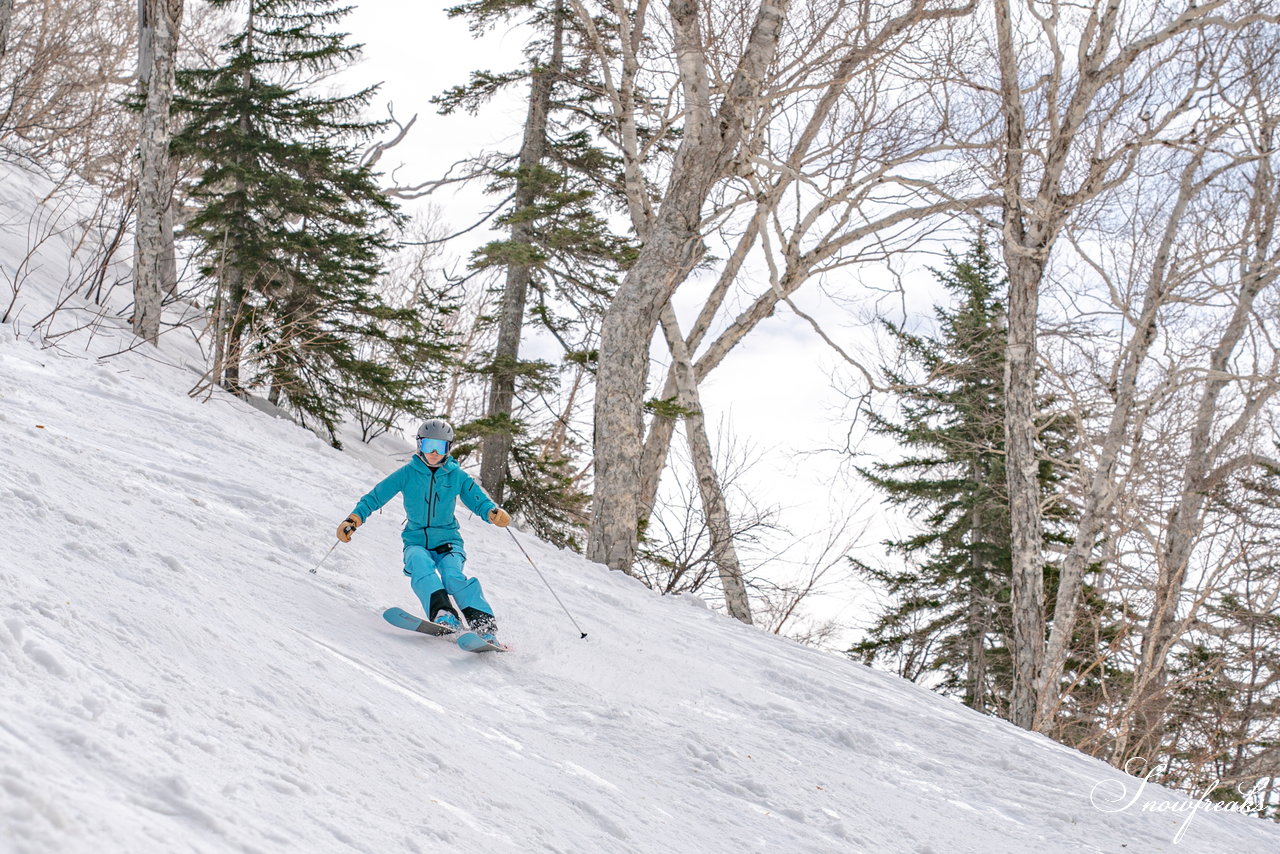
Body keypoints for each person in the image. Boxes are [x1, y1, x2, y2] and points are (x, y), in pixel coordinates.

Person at [336, 418, 511, 641]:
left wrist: (492, 513)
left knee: (453, 576)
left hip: (448, 542)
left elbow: (477, 499)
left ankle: (483, 625)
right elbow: (376, 496)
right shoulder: (407, 473)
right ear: (420, 445)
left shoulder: (456, 476)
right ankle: (444, 614)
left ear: (449, 448)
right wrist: (353, 519)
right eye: (429, 445)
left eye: (441, 447)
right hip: (416, 540)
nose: (435, 452)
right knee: (418, 562)